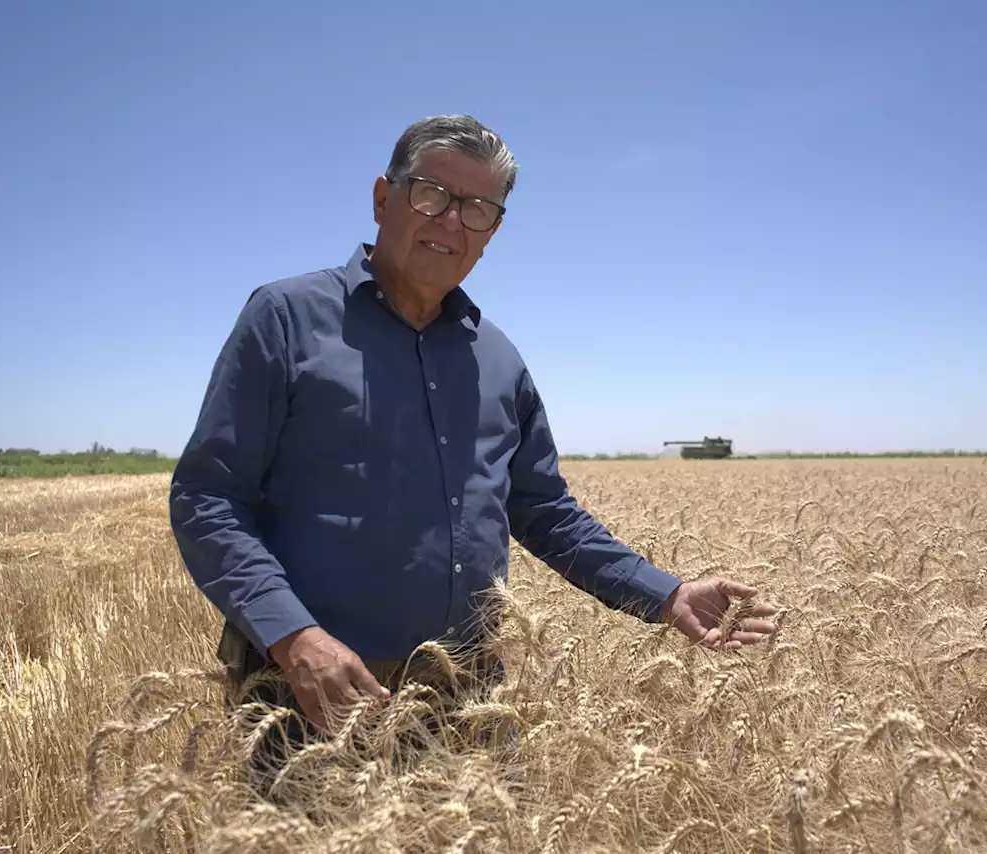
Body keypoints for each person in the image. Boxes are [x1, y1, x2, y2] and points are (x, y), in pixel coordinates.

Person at [168, 114, 778, 781]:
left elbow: (545, 512)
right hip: (316, 694)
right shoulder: (286, 319)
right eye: (432, 193)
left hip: (466, 695)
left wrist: (667, 595)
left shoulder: (499, 360)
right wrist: (294, 637)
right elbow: (208, 497)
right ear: (383, 197)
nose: (452, 221)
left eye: (479, 208)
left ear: (494, 231)